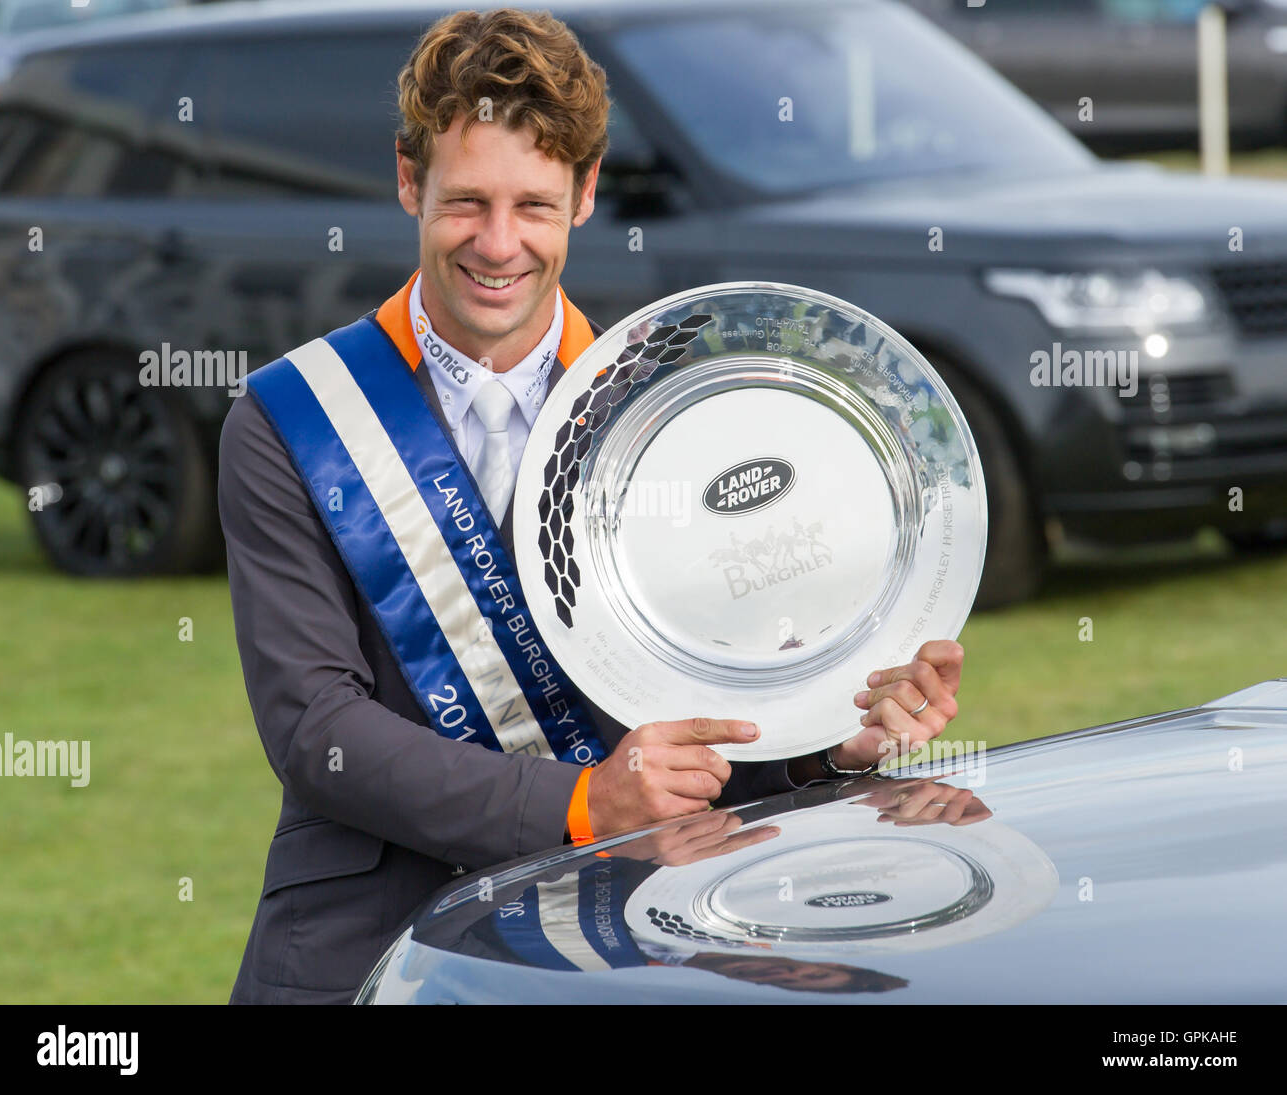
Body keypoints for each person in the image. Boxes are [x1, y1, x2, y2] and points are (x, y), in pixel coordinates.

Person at [218, 7, 966, 1004]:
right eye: (465, 202)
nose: (497, 243)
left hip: (627, 944)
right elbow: (317, 733)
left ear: (584, 195)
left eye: (531, 204)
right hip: (366, 941)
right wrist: (581, 800)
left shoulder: (666, 414)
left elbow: (721, 710)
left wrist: (834, 737)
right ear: (408, 183)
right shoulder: (292, 420)